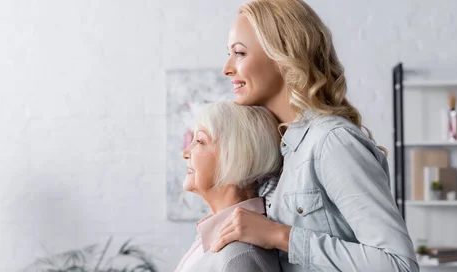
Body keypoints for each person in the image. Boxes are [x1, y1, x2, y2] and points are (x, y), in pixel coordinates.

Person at [209, 0, 420, 271]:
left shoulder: (331, 142)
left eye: (239, 53)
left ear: (283, 54)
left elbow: (399, 265)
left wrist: (278, 235)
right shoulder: (283, 151)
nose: (227, 68)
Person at [174, 101, 283, 272]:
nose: (185, 153)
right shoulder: (220, 237)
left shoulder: (240, 255)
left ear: (236, 158)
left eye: (200, 141)